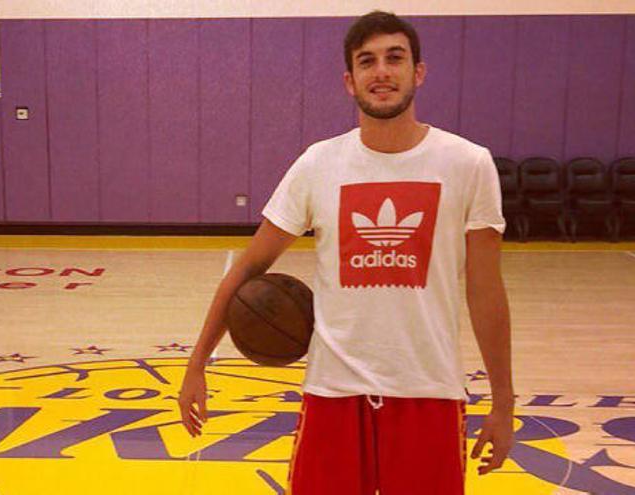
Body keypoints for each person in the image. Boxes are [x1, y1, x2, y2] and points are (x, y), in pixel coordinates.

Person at [177, 10, 514, 495]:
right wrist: (196, 364)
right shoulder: (319, 163)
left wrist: (503, 402)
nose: (381, 72)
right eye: (367, 61)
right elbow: (251, 265)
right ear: (349, 81)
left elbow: (486, 291)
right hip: (333, 391)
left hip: (428, 391)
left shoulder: (468, 163)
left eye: (394, 59)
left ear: (418, 71)